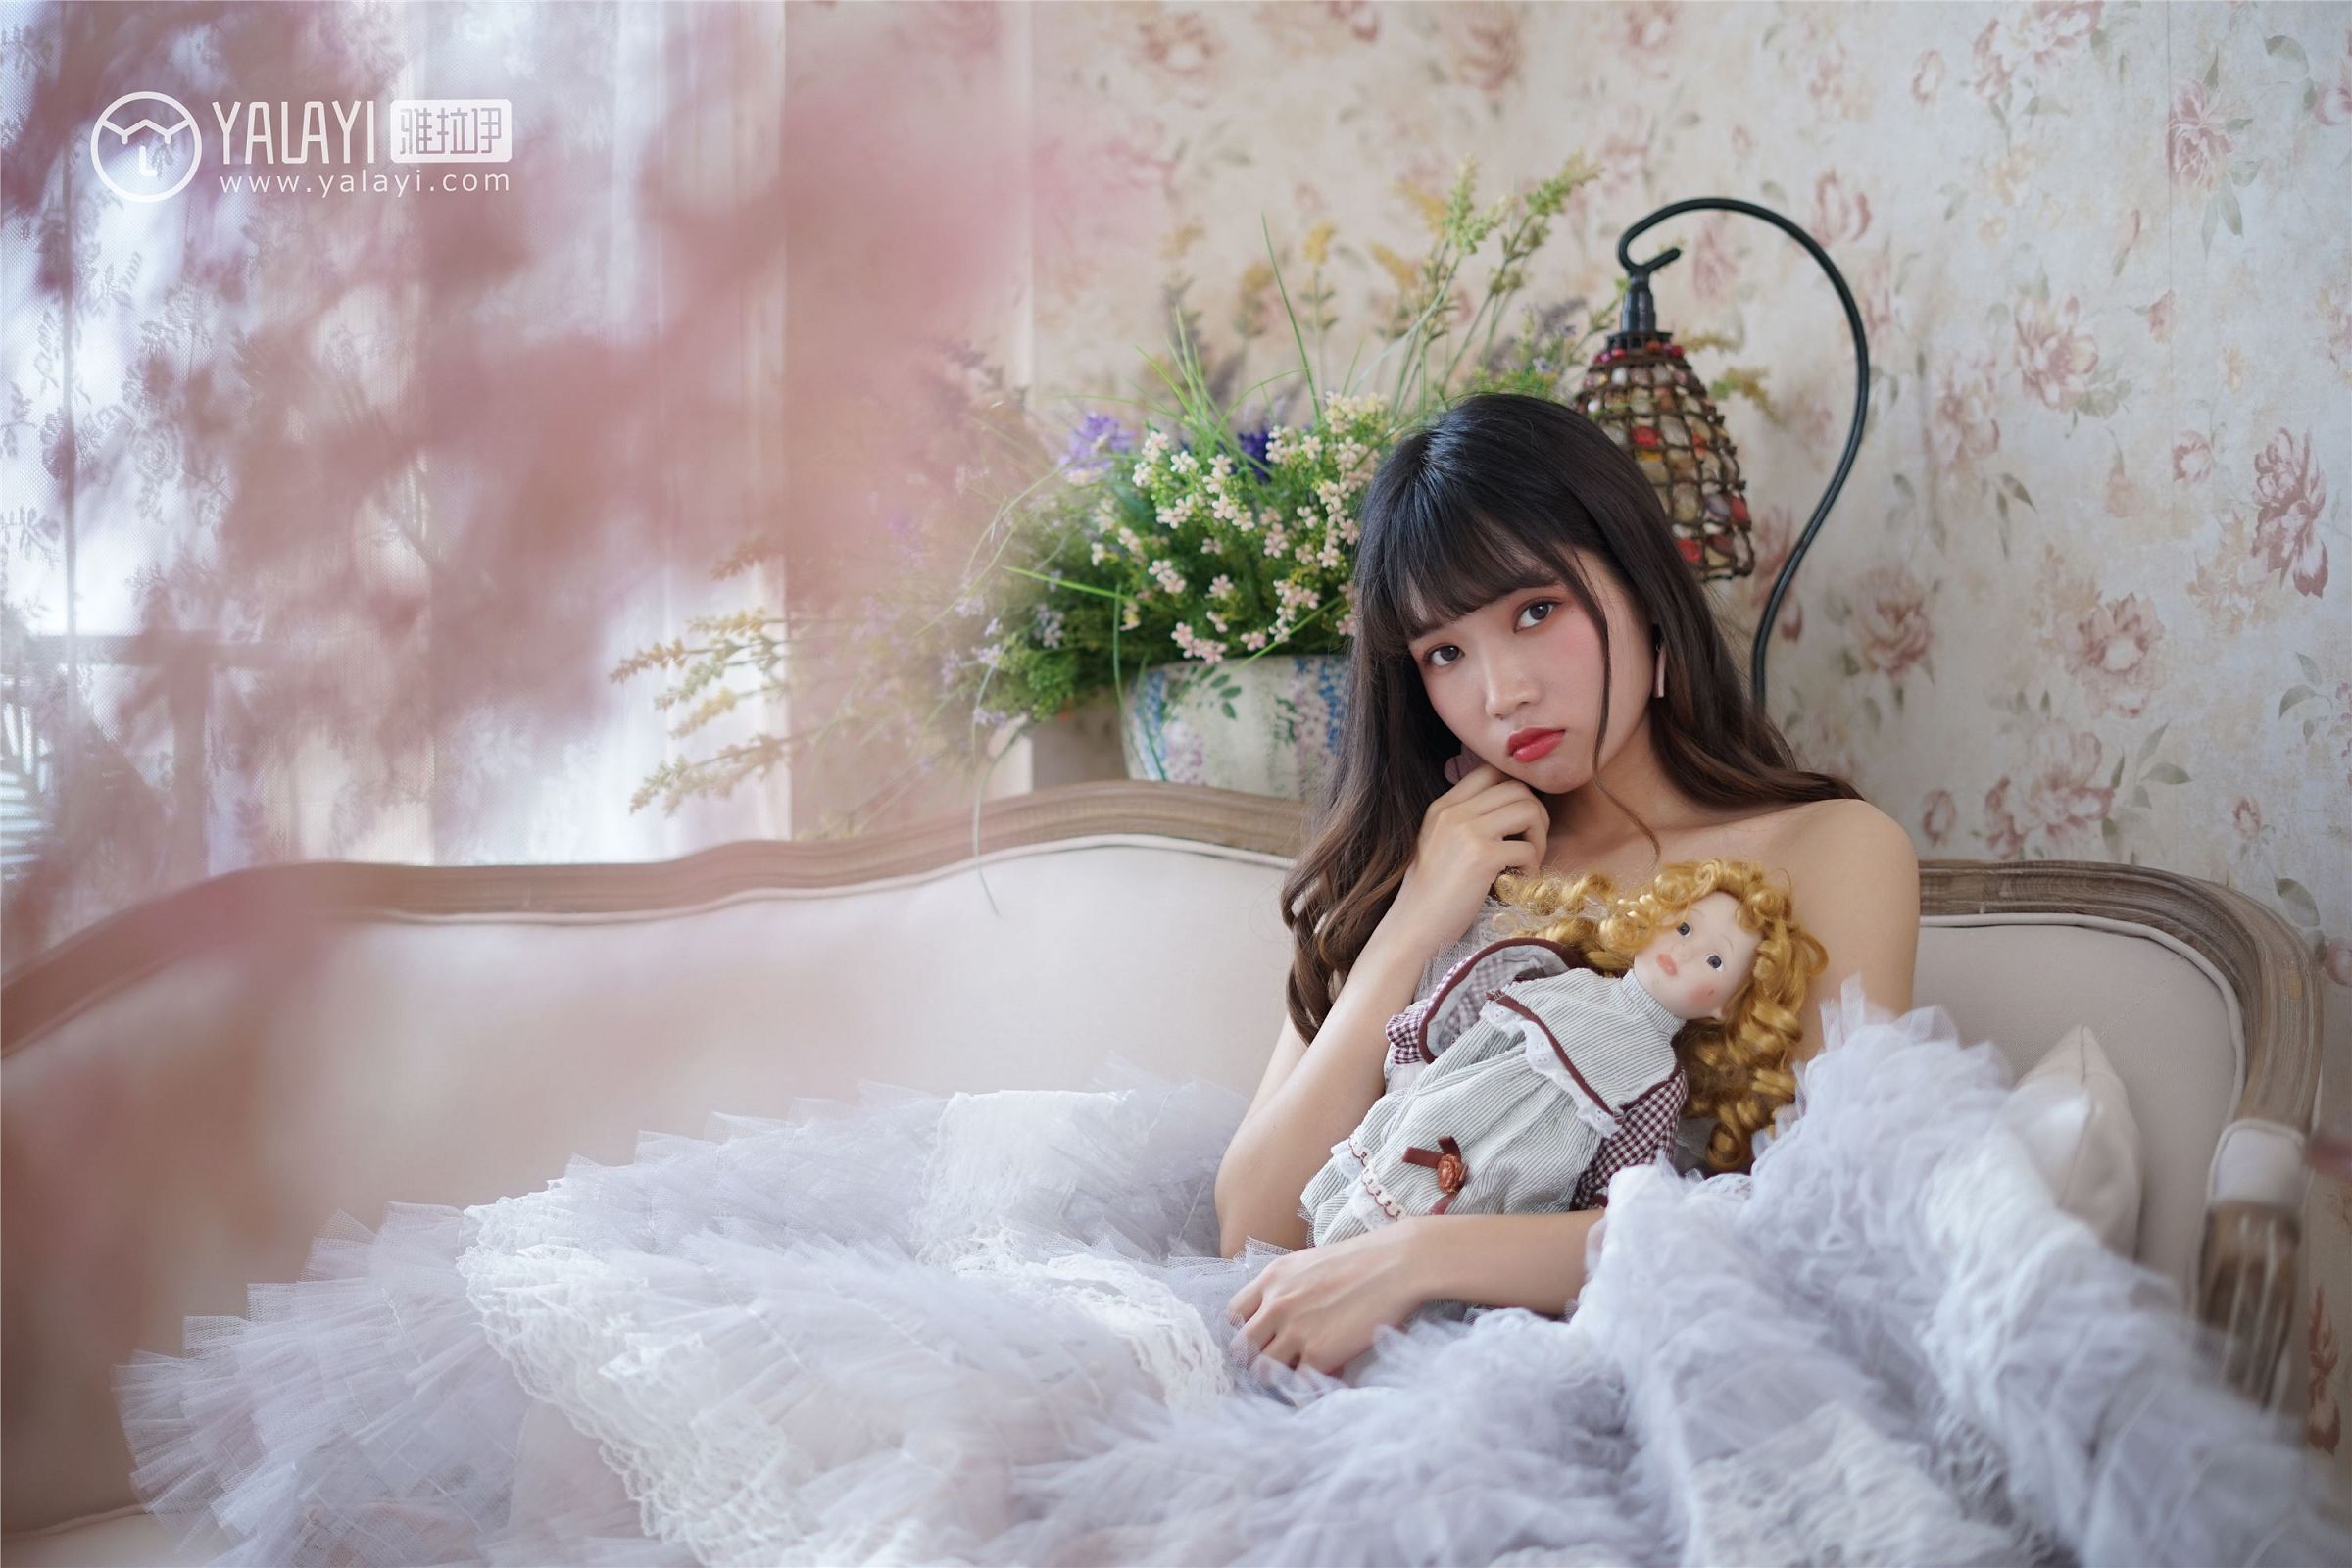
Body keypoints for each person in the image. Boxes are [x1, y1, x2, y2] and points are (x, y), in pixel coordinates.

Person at [1215, 389, 1918, 1377]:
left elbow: (1813, 1224)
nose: (1501, 693)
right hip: (1356, 1388)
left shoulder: (1830, 850)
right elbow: (1252, 1231)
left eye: (1536, 611)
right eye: (1445, 652)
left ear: (1642, 586)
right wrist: (1413, 920)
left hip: (1652, 1384)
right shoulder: (1423, 866)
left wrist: (1421, 1258)